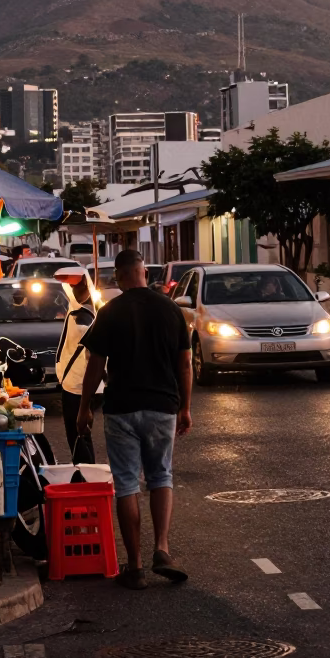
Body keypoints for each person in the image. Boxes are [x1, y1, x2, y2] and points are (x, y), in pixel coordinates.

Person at [77, 248, 192, 590]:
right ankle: (162, 549)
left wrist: (84, 407)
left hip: (121, 406)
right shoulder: (172, 310)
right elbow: (184, 365)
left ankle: (136, 567)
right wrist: (185, 407)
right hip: (161, 406)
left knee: (127, 484)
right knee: (160, 476)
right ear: (143, 272)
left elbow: (95, 365)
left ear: (120, 276)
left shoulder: (110, 312)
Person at [55, 274, 98, 463]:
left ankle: (87, 478)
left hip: (79, 387)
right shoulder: (75, 312)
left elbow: (94, 360)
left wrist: (86, 405)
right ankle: (84, 475)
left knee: (80, 437)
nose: (73, 291)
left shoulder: (83, 318)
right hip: (72, 384)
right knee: (77, 437)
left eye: (77, 288)